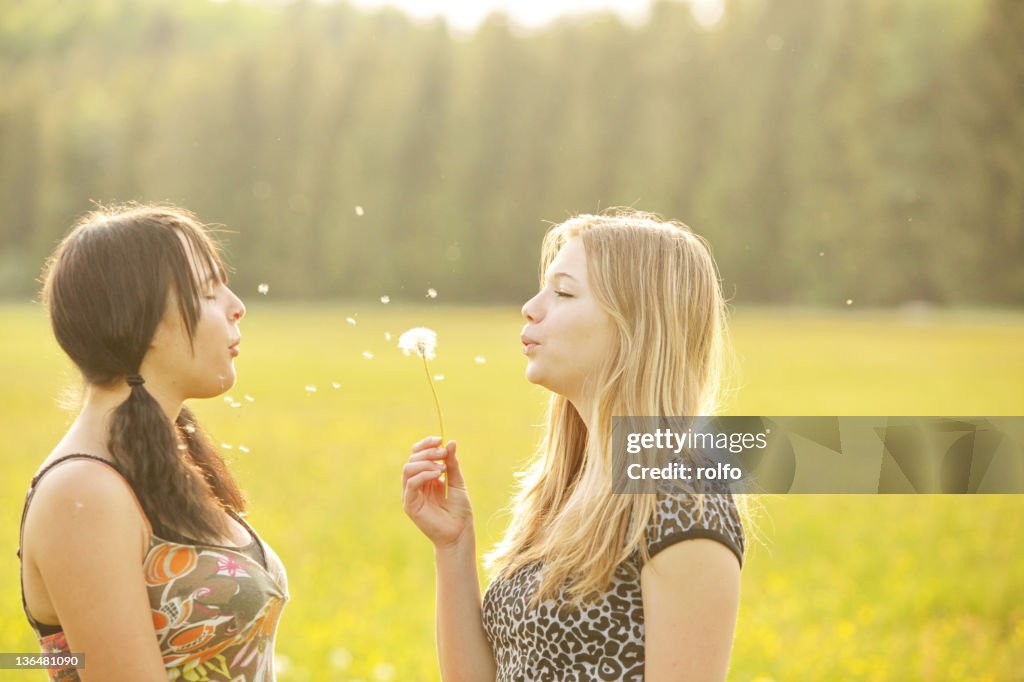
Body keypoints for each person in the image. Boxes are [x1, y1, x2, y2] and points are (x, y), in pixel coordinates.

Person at [402, 209, 750, 681]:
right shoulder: (569, 487)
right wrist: (454, 546)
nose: (531, 306)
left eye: (563, 292)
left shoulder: (683, 498)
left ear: (636, 325)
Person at [18, 204, 288, 681]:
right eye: (207, 292)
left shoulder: (161, 462)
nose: (235, 305)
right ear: (139, 321)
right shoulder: (82, 493)